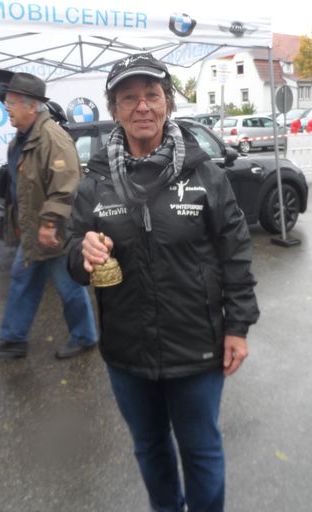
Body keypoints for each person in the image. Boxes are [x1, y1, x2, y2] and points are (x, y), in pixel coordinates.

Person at [64, 53, 260, 512]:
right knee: (149, 448)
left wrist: (238, 327)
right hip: (127, 351)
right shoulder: (95, 183)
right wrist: (82, 253)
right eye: (129, 98)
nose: (142, 107)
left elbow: (235, 253)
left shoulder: (205, 175)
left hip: (197, 347)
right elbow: (73, 258)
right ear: (114, 109)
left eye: (152, 95)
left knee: (201, 450)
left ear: (167, 102)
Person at [0, 72, 97, 359]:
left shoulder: (52, 138)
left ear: (31, 106)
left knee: (69, 287)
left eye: (12, 102)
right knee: (22, 281)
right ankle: (14, 338)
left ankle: (84, 337)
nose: (7, 108)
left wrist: (49, 223)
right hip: (33, 230)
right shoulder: (21, 140)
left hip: (54, 231)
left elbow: (66, 187)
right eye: (7, 102)